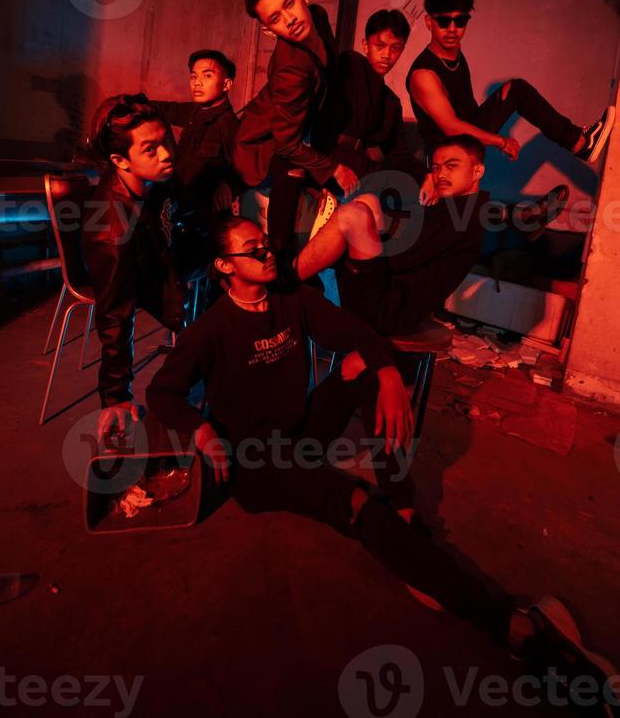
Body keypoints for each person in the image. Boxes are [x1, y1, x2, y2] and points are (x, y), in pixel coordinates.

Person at [145, 214, 619, 697]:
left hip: (300, 432)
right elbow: (162, 394)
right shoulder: (209, 330)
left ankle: (403, 508)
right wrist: (202, 431)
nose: (268, 253)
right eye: (254, 249)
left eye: (267, 243)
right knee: (352, 501)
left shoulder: (292, 299)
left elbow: (355, 332)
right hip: (255, 462)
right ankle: (515, 629)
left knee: (366, 368)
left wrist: (389, 377)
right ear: (225, 264)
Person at [294, 135, 568, 336]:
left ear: (477, 171)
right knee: (366, 203)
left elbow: (399, 259)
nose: (440, 174)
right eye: (436, 168)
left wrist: (359, 236)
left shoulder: (464, 217)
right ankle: (311, 265)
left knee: (352, 215)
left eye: (452, 166)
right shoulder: (458, 209)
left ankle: (285, 281)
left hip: (386, 309)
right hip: (386, 291)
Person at [406, 0, 615, 164]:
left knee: (517, 89)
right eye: (443, 21)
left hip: (466, 135)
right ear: (428, 23)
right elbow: (451, 127)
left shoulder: (454, 53)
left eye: (460, 21)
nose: (452, 29)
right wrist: (501, 141)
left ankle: (580, 144)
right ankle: (519, 210)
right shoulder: (423, 74)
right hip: (444, 156)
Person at [233, 0, 358, 267]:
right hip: (262, 144)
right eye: (275, 19)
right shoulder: (292, 69)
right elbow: (287, 144)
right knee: (292, 170)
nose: (290, 20)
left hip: (298, 120)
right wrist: (333, 168)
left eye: (289, 4)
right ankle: (281, 263)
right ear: (267, 30)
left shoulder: (317, 16)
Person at [82, 93, 186, 441]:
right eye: (151, 149)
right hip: (143, 277)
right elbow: (114, 315)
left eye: (165, 141)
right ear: (120, 160)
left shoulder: (152, 180)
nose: (167, 154)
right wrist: (116, 396)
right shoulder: (111, 234)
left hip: (160, 263)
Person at [315, 7, 435, 203]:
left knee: (415, 190)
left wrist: (427, 175)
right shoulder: (351, 64)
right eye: (380, 45)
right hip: (330, 157)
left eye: (395, 48)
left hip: (363, 167)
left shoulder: (391, 103)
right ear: (365, 45)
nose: (386, 55)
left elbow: (399, 154)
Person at [151, 49, 240, 214]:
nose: (197, 83)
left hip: (204, 215)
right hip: (177, 204)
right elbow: (164, 109)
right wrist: (130, 102)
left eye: (207, 76)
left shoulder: (228, 124)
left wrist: (227, 184)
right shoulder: (195, 111)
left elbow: (241, 166)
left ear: (226, 84)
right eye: (194, 76)